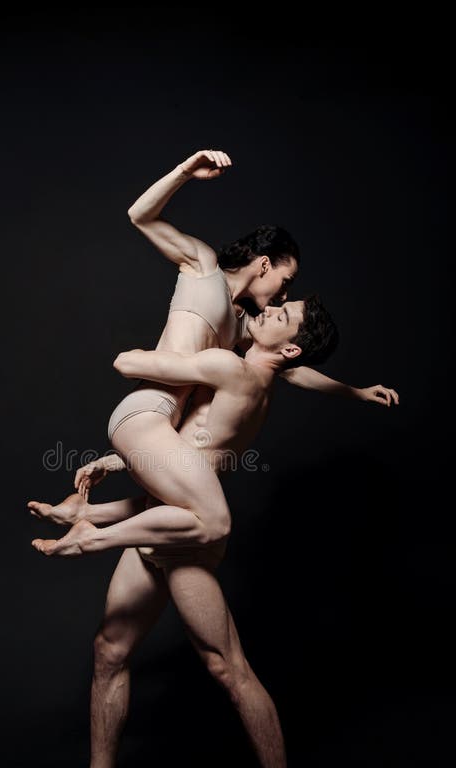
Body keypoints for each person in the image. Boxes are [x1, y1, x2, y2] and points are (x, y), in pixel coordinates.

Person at [30, 293, 342, 768]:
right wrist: (118, 465)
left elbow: (135, 368)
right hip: (163, 520)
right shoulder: (251, 377)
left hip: (186, 541)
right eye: (277, 305)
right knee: (110, 649)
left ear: (289, 346)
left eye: (281, 315)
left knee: (228, 668)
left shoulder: (239, 374)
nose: (267, 310)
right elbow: (189, 452)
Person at [30, 149, 396, 557]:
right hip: (148, 408)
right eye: (285, 279)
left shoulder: (244, 327)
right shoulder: (204, 266)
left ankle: (85, 514)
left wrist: (355, 392)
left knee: (178, 505)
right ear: (262, 265)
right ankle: (87, 537)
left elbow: (291, 370)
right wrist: (185, 172)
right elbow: (140, 215)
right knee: (211, 519)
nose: (284, 293)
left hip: (163, 424)